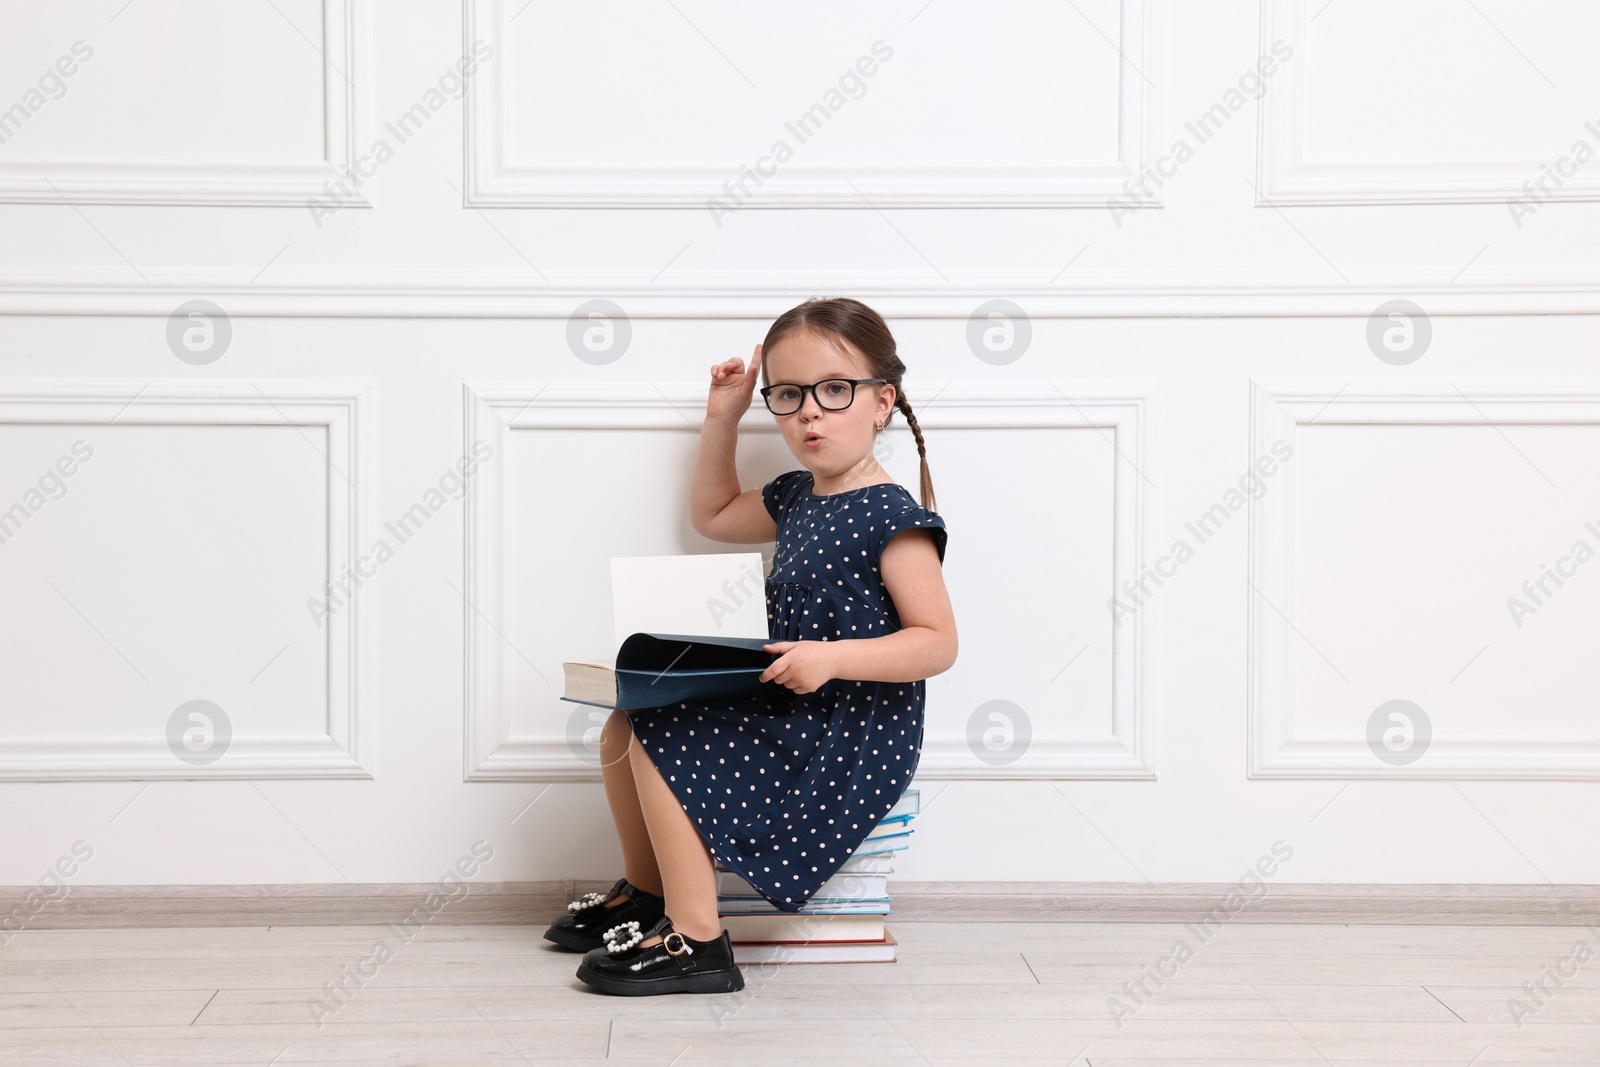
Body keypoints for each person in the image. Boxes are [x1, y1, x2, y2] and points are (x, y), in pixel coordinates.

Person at [546, 296, 957, 995]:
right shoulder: (799, 496)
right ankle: (651, 893)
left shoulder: (893, 516)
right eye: (789, 396)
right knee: (626, 720)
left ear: (882, 401)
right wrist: (723, 417)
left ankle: (697, 940)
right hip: (794, 703)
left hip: (849, 725)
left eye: (834, 390)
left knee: (659, 728)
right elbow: (710, 514)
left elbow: (936, 642)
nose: (809, 413)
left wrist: (832, 658)